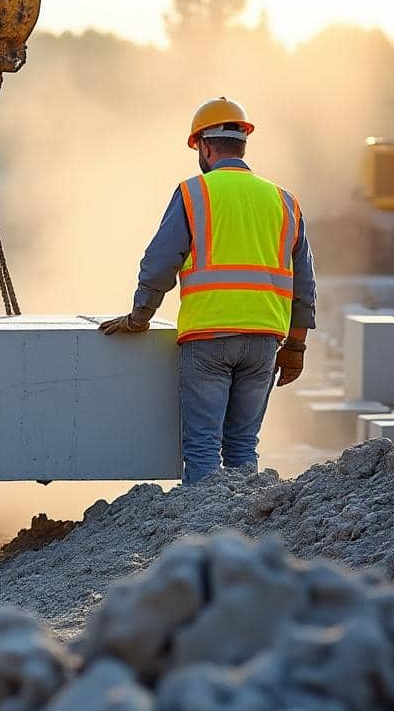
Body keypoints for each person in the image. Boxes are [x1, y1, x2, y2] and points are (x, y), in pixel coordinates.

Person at [100, 97, 316, 485]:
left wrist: (139, 317)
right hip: (265, 339)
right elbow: (305, 285)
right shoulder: (285, 201)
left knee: (202, 447)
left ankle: (204, 538)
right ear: (242, 143)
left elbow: (160, 262)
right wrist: (295, 349)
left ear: (204, 145)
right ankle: (240, 532)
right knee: (243, 445)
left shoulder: (193, 194)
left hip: (208, 339)